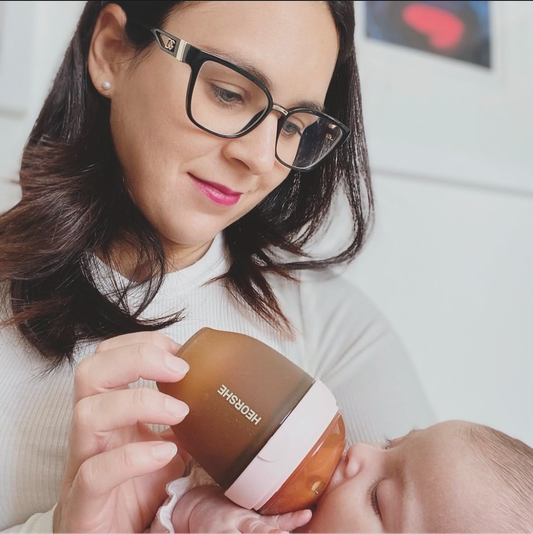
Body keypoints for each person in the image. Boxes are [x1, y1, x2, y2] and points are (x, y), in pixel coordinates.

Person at [0, 1, 435, 533]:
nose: (260, 158)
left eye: (296, 127)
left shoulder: (333, 328)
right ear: (111, 51)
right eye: (228, 92)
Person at [148, 420, 533, 534]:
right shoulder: (258, 512)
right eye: (389, 443)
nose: (360, 451)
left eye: (378, 500)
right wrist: (196, 512)